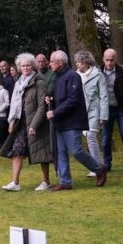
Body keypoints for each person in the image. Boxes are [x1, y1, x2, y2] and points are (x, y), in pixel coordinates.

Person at [47, 51, 106, 190]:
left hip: (72, 121)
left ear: (60, 62)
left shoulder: (72, 76)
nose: (50, 64)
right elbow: (61, 98)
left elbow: (72, 100)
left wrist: (55, 112)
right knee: (61, 152)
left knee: (76, 150)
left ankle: (99, 169)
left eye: (51, 61)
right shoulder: (58, 77)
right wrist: (51, 100)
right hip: (60, 121)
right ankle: (65, 182)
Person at [0, 53, 53, 191]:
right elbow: (14, 104)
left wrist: (34, 125)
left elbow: (42, 106)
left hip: (36, 122)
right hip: (21, 122)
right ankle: (15, 182)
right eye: (22, 66)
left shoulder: (39, 82)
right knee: (17, 150)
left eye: (28, 65)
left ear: (33, 66)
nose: (25, 68)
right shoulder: (18, 82)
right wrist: (11, 122)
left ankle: (46, 182)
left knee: (42, 153)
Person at [100, 49, 123, 177]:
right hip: (106, 110)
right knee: (105, 139)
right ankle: (107, 164)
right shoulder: (97, 72)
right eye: (107, 60)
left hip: (122, 109)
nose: (109, 63)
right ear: (103, 59)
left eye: (112, 60)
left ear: (116, 59)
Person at [74, 51, 108, 174]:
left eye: (79, 62)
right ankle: (98, 165)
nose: (77, 64)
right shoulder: (75, 76)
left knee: (91, 136)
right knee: (87, 137)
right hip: (82, 112)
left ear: (86, 62)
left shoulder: (98, 75)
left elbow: (104, 96)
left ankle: (97, 167)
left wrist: (103, 115)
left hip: (95, 110)